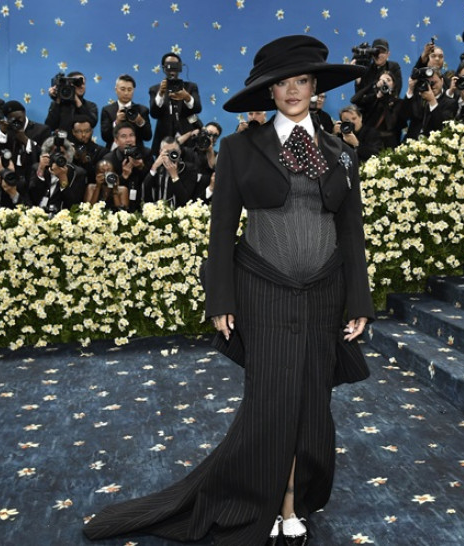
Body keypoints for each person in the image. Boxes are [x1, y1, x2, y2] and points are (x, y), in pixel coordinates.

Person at [83, 34, 374, 546]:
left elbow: (351, 230)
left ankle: (293, 501)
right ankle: (267, 501)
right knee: (271, 402)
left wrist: (359, 301)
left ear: (316, 87)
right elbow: (221, 230)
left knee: (311, 403)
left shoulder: (340, 153)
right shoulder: (241, 149)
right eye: (282, 83)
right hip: (264, 291)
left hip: (325, 294)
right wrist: (220, 298)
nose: (293, 91)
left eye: (302, 80)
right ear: (269, 92)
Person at [149, 52, 203, 152]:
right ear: (163, 68)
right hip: (164, 141)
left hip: (189, 140)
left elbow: (197, 108)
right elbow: (154, 114)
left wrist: (187, 97)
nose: (172, 69)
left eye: (175, 65)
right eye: (169, 65)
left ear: (180, 67)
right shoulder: (155, 89)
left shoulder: (190, 87)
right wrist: (160, 94)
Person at [29, 134, 86, 214]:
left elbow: (73, 205)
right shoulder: (37, 167)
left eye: (62, 153)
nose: (58, 157)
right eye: (54, 153)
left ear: (68, 155)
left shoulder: (77, 173)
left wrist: (63, 178)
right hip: (39, 213)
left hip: (62, 216)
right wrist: (41, 171)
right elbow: (32, 196)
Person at [0, 100, 50, 184]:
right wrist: (3, 134)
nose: (17, 121)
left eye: (19, 118)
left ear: (24, 113)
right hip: (13, 178)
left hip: (33, 177)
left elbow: (45, 155)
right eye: (13, 119)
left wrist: (26, 140)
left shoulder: (41, 130)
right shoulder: (8, 131)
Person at [138, 137, 199, 208]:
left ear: (180, 152)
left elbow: (185, 200)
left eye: (174, 152)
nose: (171, 155)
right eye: (167, 152)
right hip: (157, 212)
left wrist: (174, 176)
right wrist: (154, 167)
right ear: (160, 152)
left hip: (179, 213)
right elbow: (144, 191)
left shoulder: (189, 170)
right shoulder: (157, 169)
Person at [350, 71, 405, 147]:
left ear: (394, 84)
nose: (385, 82)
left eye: (388, 80)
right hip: (369, 140)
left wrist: (386, 100)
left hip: (388, 142)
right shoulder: (373, 98)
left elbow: (391, 125)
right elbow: (354, 100)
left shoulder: (398, 103)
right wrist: (372, 85)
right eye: (382, 80)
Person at [403, 68, 458, 141]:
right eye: (428, 83)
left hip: (432, 144)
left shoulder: (450, 103)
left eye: (434, 82)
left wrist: (432, 101)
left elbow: (441, 127)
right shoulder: (419, 96)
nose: (431, 86)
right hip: (411, 141)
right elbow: (404, 116)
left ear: (442, 81)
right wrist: (410, 90)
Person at [100, 74, 153, 149]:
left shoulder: (142, 110)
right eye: (123, 89)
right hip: (114, 152)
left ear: (133, 90)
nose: (126, 93)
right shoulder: (107, 110)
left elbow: (148, 137)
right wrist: (116, 122)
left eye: (129, 90)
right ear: (116, 90)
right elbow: (105, 137)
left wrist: (140, 122)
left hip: (136, 152)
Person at [69, 117, 106, 185]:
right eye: (79, 131)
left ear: (92, 131)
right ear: (73, 132)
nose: (83, 135)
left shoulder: (101, 152)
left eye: (87, 131)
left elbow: (98, 178)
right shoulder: (68, 150)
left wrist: (86, 161)